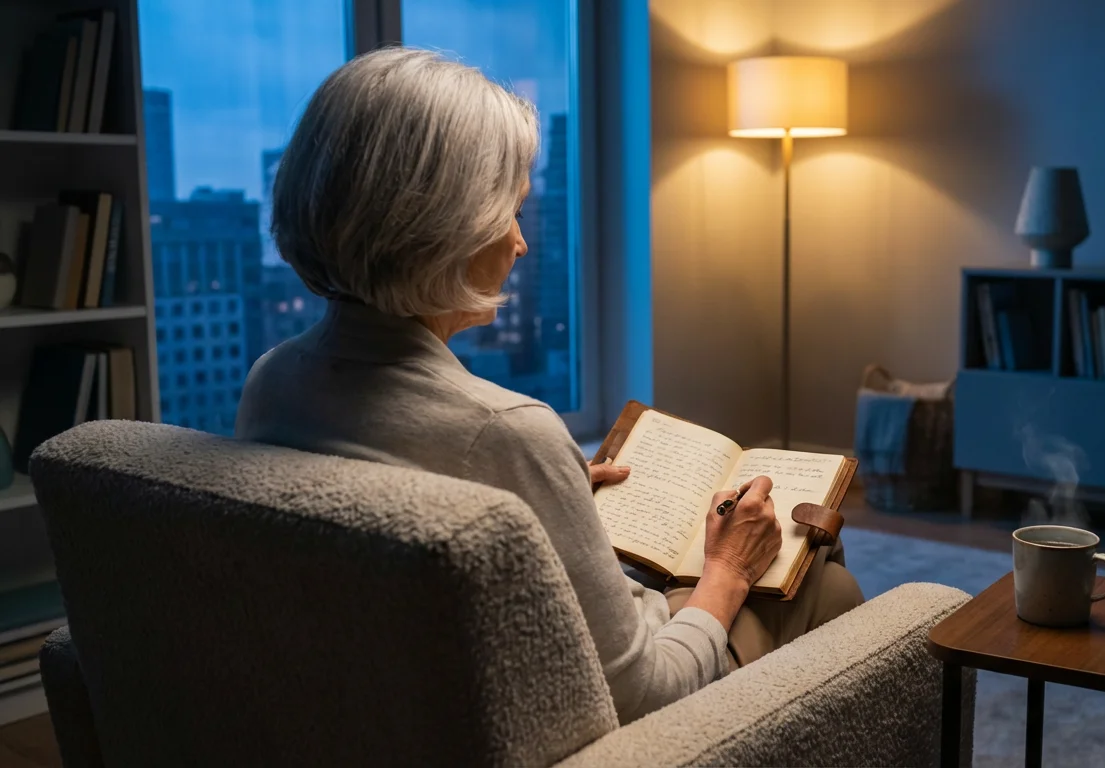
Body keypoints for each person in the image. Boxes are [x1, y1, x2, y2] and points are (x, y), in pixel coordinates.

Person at [235, 47, 863, 724]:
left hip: (385, 707)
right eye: (508, 213)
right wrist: (728, 573)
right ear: (443, 230)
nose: (519, 243)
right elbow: (645, 697)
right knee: (823, 581)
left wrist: (550, 499)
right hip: (603, 716)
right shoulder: (504, 431)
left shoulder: (273, 380)